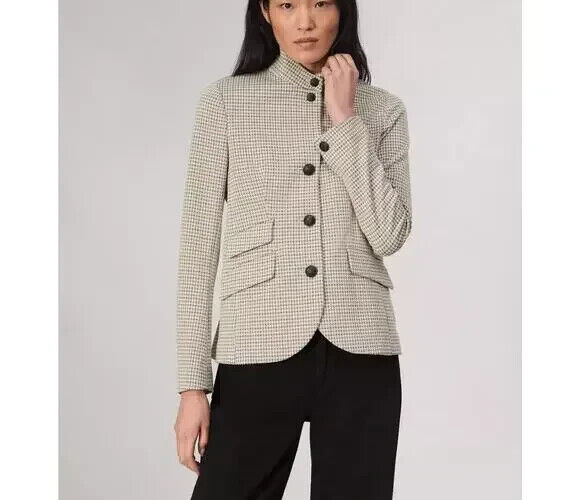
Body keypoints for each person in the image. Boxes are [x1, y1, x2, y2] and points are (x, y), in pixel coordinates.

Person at [174, 0, 413, 498]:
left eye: (320, 3)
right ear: (265, 12)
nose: (305, 22)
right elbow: (198, 248)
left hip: (361, 351)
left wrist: (345, 120)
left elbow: (390, 234)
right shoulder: (225, 104)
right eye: (287, 5)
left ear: (341, 10)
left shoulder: (383, 111)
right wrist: (192, 386)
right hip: (256, 344)